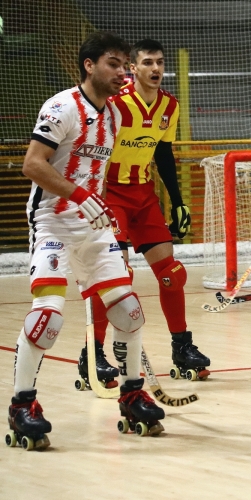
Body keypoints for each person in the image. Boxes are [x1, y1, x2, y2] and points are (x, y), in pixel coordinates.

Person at [9, 32, 163, 450]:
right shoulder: (61, 107)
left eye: (126, 64)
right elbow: (32, 165)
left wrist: (103, 206)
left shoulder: (114, 115)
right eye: (115, 63)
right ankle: (22, 404)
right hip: (53, 224)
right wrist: (79, 196)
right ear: (89, 65)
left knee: (130, 311)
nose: (124, 71)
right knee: (49, 318)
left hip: (94, 228)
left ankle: (132, 395)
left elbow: (94, 171)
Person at [82, 38, 209, 385]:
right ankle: (92, 354)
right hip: (112, 196)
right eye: (148, 63)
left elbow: (163, 154)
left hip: (144, 195)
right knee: (115, 278)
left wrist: (178, 200)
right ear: (132, 68)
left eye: (160, 62)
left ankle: (182, 347)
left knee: (173, 273)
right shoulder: (115, 104)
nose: (156, 69)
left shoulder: (170, 105)